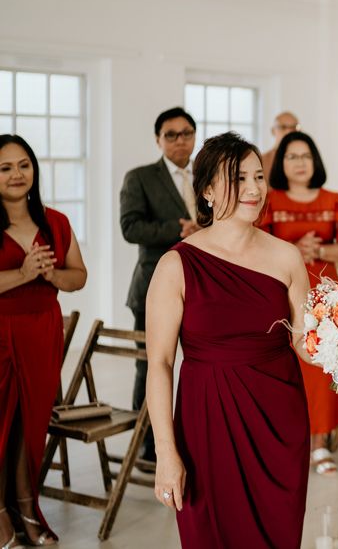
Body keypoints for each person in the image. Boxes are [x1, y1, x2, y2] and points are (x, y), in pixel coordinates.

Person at [146, 132, 310, 549]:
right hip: (207, 418)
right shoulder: (175, 265)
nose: (254, 189)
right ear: (206, 190)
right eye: (239, 178)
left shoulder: (287, 256)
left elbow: (306, 342)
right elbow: (161, 363)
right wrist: (166, 452)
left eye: (259, 176)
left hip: (279, 415)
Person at [259, 131, 338, 476]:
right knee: (279, 364)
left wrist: (318, 250)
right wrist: (293, 251)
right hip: (282, 287)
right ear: (281, 163)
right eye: (292, 156)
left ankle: (319, 444)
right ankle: (282, 441)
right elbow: (255, 242)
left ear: (315, 161)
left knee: (322, 365)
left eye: (305, 155)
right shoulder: (270, 199)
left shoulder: (333, 199)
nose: (300, 162)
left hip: (327, 292)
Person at [0, 135, 87, 548]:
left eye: (23, 165)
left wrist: (51, 275)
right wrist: (24, 273)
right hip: (0, 331)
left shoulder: (56, 221)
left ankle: (25, 506)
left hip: (41, 331)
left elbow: (78, 277)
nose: (17, 174)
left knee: (30, 424)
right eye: (5, 168)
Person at [119, 107, 199, 468]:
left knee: (201, 364)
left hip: (201, 283)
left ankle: (194, 437)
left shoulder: (208, 174)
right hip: (153, 285)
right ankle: (148, 443)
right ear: (158, 139)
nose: (180, 140)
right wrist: (177, 229)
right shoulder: (140, 177)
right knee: (152, 364)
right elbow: (130, 228)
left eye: (187, 133)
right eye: (171, 134)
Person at [260, 111, 300, 180]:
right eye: (283, 127)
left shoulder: (305, 159)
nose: (289, 132)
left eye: (294, 127)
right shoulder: (262, 161)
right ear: (273, 131)